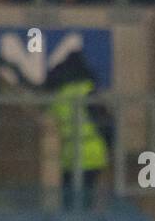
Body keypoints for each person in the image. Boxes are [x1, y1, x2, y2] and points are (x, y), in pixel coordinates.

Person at [46, 51, 110, 210]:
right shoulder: (89, 91)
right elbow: (104, 122)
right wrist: (111, 144)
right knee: (87, 197)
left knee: (68, 199)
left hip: (69, 154)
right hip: (92, 152)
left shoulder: (59, 95)